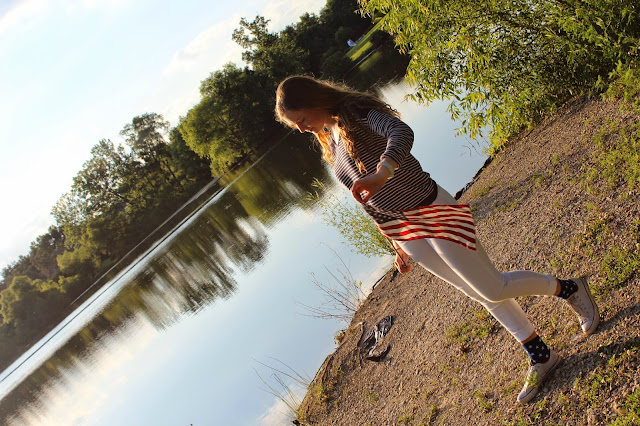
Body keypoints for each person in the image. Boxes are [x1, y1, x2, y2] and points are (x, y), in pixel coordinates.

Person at [274, 75, 600, 404]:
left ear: (314, 100)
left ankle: (569, 288)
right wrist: (395, 243)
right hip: (405, 230)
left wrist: (383, 172)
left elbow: (401, 132)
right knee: (478, 292)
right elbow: (364, 197)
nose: (301, 129)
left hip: (431, 208)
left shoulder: (355, 111)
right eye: (294, 125)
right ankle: (541, 355)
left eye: (301, 119)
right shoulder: (330, 140)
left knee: (492, 287)